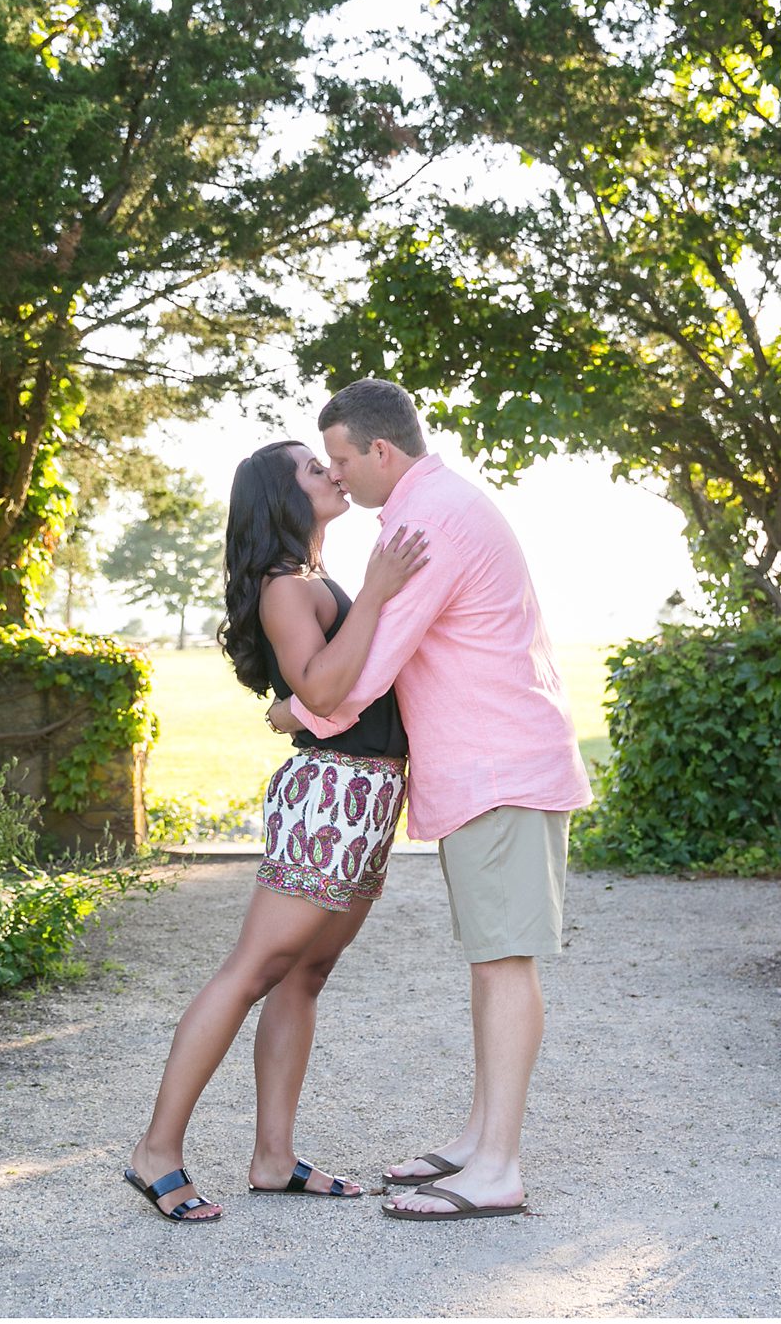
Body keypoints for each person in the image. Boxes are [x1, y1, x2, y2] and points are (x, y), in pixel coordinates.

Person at [270, 377, 592, 1222]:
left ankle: (497, 1167)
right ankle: (481, 1138)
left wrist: (295, 709)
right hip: (489, 769)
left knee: (504, 959)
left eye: (341, 458)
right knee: (493, 957)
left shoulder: (426, 519)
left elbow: (372, 663)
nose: (337, 476)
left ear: (381, 450)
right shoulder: (434, 507)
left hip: (501, 768)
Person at [124, 438, 429, 1223]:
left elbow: (338, 688)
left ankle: (272, 1156)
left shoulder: (312, 579)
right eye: (309, 466)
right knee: (253, 968)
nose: (330, 472)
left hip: (367, 795)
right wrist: (379, 590)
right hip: (329, 795)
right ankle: (156, 1149)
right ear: (277, 496)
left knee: (304, 976)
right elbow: (324, 685)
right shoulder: (285, 588)